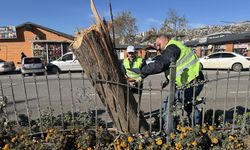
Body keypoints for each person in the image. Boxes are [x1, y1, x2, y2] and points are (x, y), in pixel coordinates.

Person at [130, 34, 205, 127]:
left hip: (193, 80)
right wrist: (142, 76)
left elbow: (161, 64)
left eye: (158, 44)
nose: (157, 47)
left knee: (169, 103)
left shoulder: (172, 47)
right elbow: (166, 64)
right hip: (190, 81)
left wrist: (142, 69)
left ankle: (169, 130)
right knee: (187, 104)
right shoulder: (171, 49)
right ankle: (196, 126)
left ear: (165, 40)